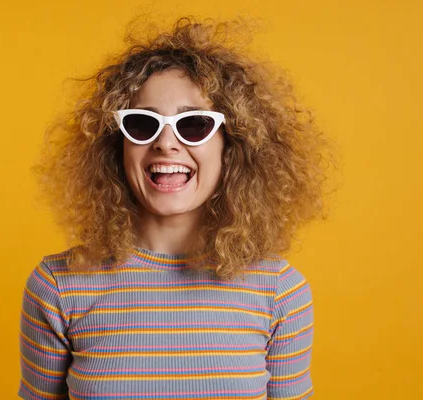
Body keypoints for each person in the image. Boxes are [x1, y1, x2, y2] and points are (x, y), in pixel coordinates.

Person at [19, 17, 330, 400]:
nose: (166, 143)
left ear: (231, 147)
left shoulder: (280, 291)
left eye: (194, 125)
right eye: (142, 124)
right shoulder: (57, 286)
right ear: (116, 148)